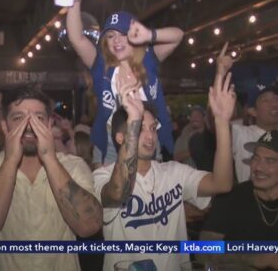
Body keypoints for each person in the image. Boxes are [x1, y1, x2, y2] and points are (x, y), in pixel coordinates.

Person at [93, 68, 236, 271]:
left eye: (153, 128)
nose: (150, 136)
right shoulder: (102, 176)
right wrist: (134, 117)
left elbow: (222, 183)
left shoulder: (173, 172)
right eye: (140, 128)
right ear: (120, 137)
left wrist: (221, 123)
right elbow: (117, 192)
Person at [0, 86, 103, 271]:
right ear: (5, 126)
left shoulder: (73, 166)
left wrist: (49, 157)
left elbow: (89, 226)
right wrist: (11, 161)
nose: (29, 126)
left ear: (49, 124)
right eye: (18, 118)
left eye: (38, 118)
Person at [64, 0, 184, 167]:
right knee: (108, 192)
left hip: (147, 136)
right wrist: (74, 3)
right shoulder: (100, 65)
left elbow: (178, 36)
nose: (116, 41)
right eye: (111, 36)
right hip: (111, 141)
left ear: (135, 36)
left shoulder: (149, 60)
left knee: (148, 190)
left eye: (123, 35)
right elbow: (76, 38)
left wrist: (149, 34)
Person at [198, 130, 278, 270]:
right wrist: (255, 258)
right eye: (256, 158)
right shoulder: (231, 197)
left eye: (270, 161)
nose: (258, 167)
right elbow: (203, 253)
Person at [216, 43, 278, 183]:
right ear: (252, 111)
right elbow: (216, 126)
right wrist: (220, 74)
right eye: (266, 101)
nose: (274, 104)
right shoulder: (240, 133)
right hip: (250, 201)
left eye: (276, 99)